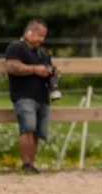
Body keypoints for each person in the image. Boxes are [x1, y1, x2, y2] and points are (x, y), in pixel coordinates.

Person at [4, 18, 60, 173]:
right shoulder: (15, 47)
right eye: (39, 36)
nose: (42, 40)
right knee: (27, 128)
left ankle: (31, 164)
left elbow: (47, 66)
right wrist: (35, 70)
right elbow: (12, 67)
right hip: (23, 95)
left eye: (44, 36)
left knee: (37, 132)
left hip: (42, 96)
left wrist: (52, 71)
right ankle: (26, 163)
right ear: (29, 32)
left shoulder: (42, 52)